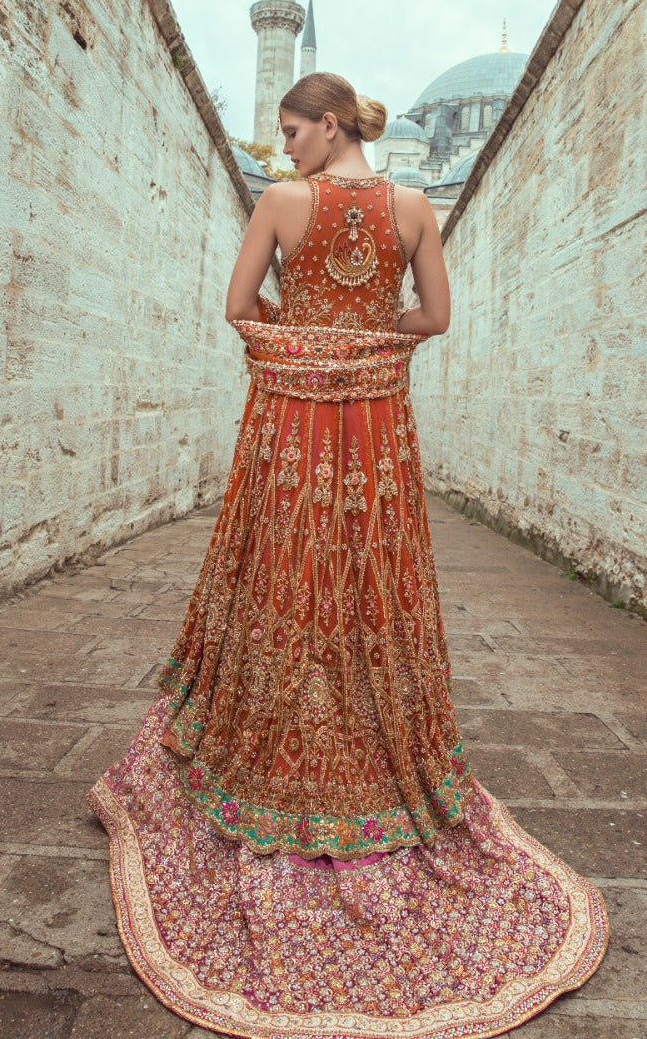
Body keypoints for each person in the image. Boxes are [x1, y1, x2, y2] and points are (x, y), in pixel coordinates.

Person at [85, 72, 608, 1037]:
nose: (285, 149)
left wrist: (306, 344)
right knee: (375, 582)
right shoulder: (413, 208)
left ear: (331, 125)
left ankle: (270, 744)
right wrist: (366, 339)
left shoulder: (281, 204)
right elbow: (434, 320)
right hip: (375, 424)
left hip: (290, 424)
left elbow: (241, 309)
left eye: (294, 130)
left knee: (281, 570)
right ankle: (375, 748)